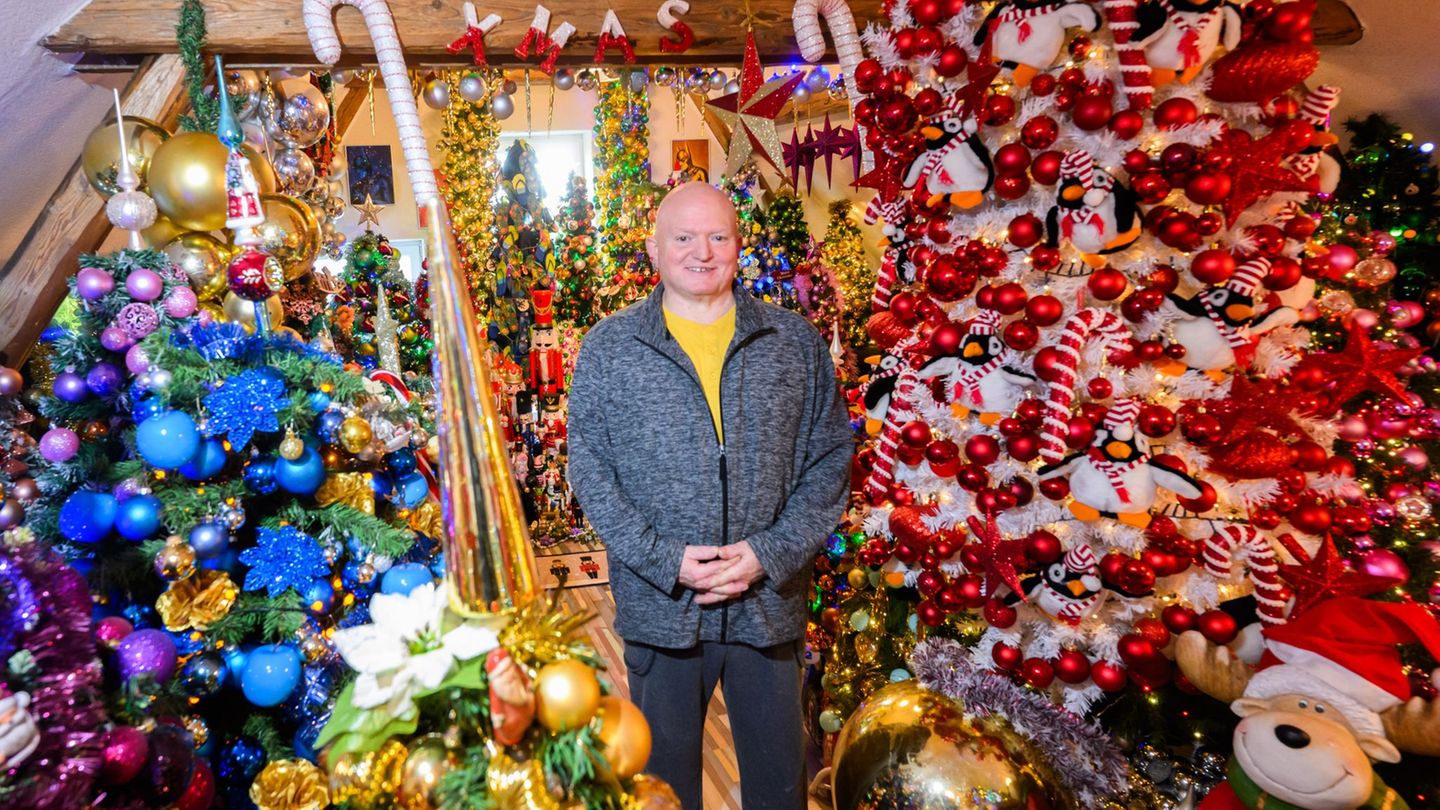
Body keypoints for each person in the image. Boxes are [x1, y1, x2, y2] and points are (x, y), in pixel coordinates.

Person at [567, 182, 852, 810]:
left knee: (779, 791)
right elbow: (589, 469)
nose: (703, 252)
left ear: (738, 244)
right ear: (655, 249)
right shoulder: (611, 349)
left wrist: (767, 553)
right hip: (661, 610)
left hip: (767, 605)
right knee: (665, 792)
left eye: (718, 236)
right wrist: (665, 559)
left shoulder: (793, 343)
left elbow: (831, 460)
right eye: (684, 237)